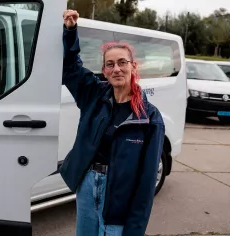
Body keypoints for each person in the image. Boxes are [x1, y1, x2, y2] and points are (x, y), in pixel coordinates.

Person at [59, 10, 165, 236]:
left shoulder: (149, 118)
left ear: (133, 67)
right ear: (104, 71)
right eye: (110, 64)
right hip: (87, 185)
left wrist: (135, 230)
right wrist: (70, 32)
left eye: (122, 62)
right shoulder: (94, 95)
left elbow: (146, 185)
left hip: (119, 195)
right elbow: (70, 68)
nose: (116, 68)